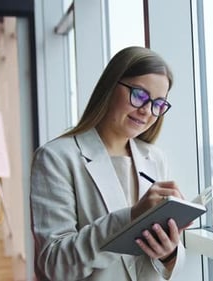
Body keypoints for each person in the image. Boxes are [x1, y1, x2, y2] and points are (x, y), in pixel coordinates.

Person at [30, 46, 187, 281]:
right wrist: (131, 218)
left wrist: (169, 253)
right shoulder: (56, 157)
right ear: (111, 86)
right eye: (139, 95)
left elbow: (168, 264)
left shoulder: (155, 158)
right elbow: (55, 265)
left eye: (158, 104)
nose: (146, 111)